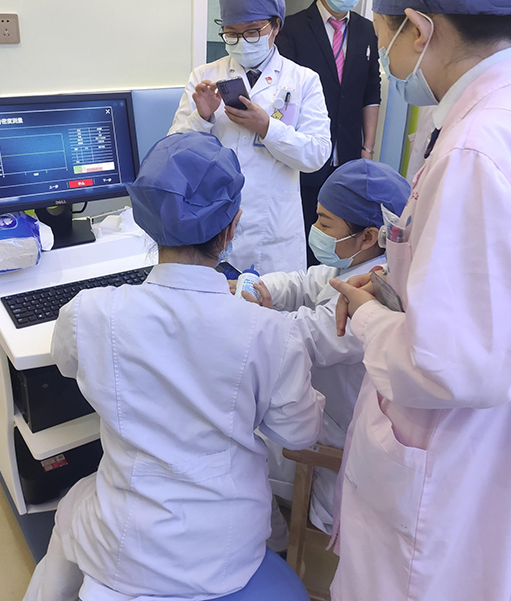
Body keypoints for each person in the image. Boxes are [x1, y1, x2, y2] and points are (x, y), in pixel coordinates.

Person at [22, 132, 324, 601]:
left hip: (128, 545)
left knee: (73, 507)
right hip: (228, 548)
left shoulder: (91, 313)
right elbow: (299, 433)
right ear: (232, 227)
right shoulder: (269, 332)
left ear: (146, 221)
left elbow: (65, 362)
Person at [328, 1, 511, 600]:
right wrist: (395, 288)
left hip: (447, 465)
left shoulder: (472, 150)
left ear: (419, 30)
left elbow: (446, 364)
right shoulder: (484, 121)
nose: (385, 57)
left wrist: (369, 317)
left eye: (384, 37)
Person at [240, 159, 409, 536]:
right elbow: (304, 282)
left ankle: (280, 544)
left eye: (324, 223)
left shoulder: (375, 295)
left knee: (242, 445)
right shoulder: (353, 265)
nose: (315, 230)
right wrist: (262, 288)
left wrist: (247, 315)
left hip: (336, 455)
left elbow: (305, 335)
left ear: (368, 237)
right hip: (326, 424)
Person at [169, 0, 332, 275]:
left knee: (273, 300)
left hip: (273, 234)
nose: (242, 42)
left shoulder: (304, 80)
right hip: (210, 232)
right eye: (232, 33)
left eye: (253, 31)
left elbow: (316, 154)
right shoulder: (204, 76)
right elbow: (173, 153)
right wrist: (202, 118)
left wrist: (267, 128)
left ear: (275, 26)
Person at [277, 0, 382, 266]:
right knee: (303, 229)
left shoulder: (366, 30)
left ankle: (332, 283)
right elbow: (283, 95)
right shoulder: (293, 28)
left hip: (348, 151)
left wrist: (367, 148)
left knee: (341, 233)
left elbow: (371, 91)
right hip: (305, 153)